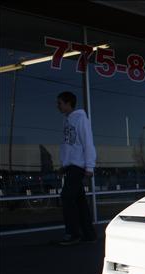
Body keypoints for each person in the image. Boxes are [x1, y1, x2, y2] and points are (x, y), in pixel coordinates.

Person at [57, 91, 97, 245]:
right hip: (71, 166)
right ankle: (89, 234)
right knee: (79, 200)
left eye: (60, 103)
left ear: (68, 103)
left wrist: (90, 166)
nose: (58, 106)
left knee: (67, 197)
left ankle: (73, 234)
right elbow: (67, 146)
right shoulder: (66, 120)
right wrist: (63, 165)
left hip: (79, 166)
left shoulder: (81, 119)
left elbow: (88, 142)